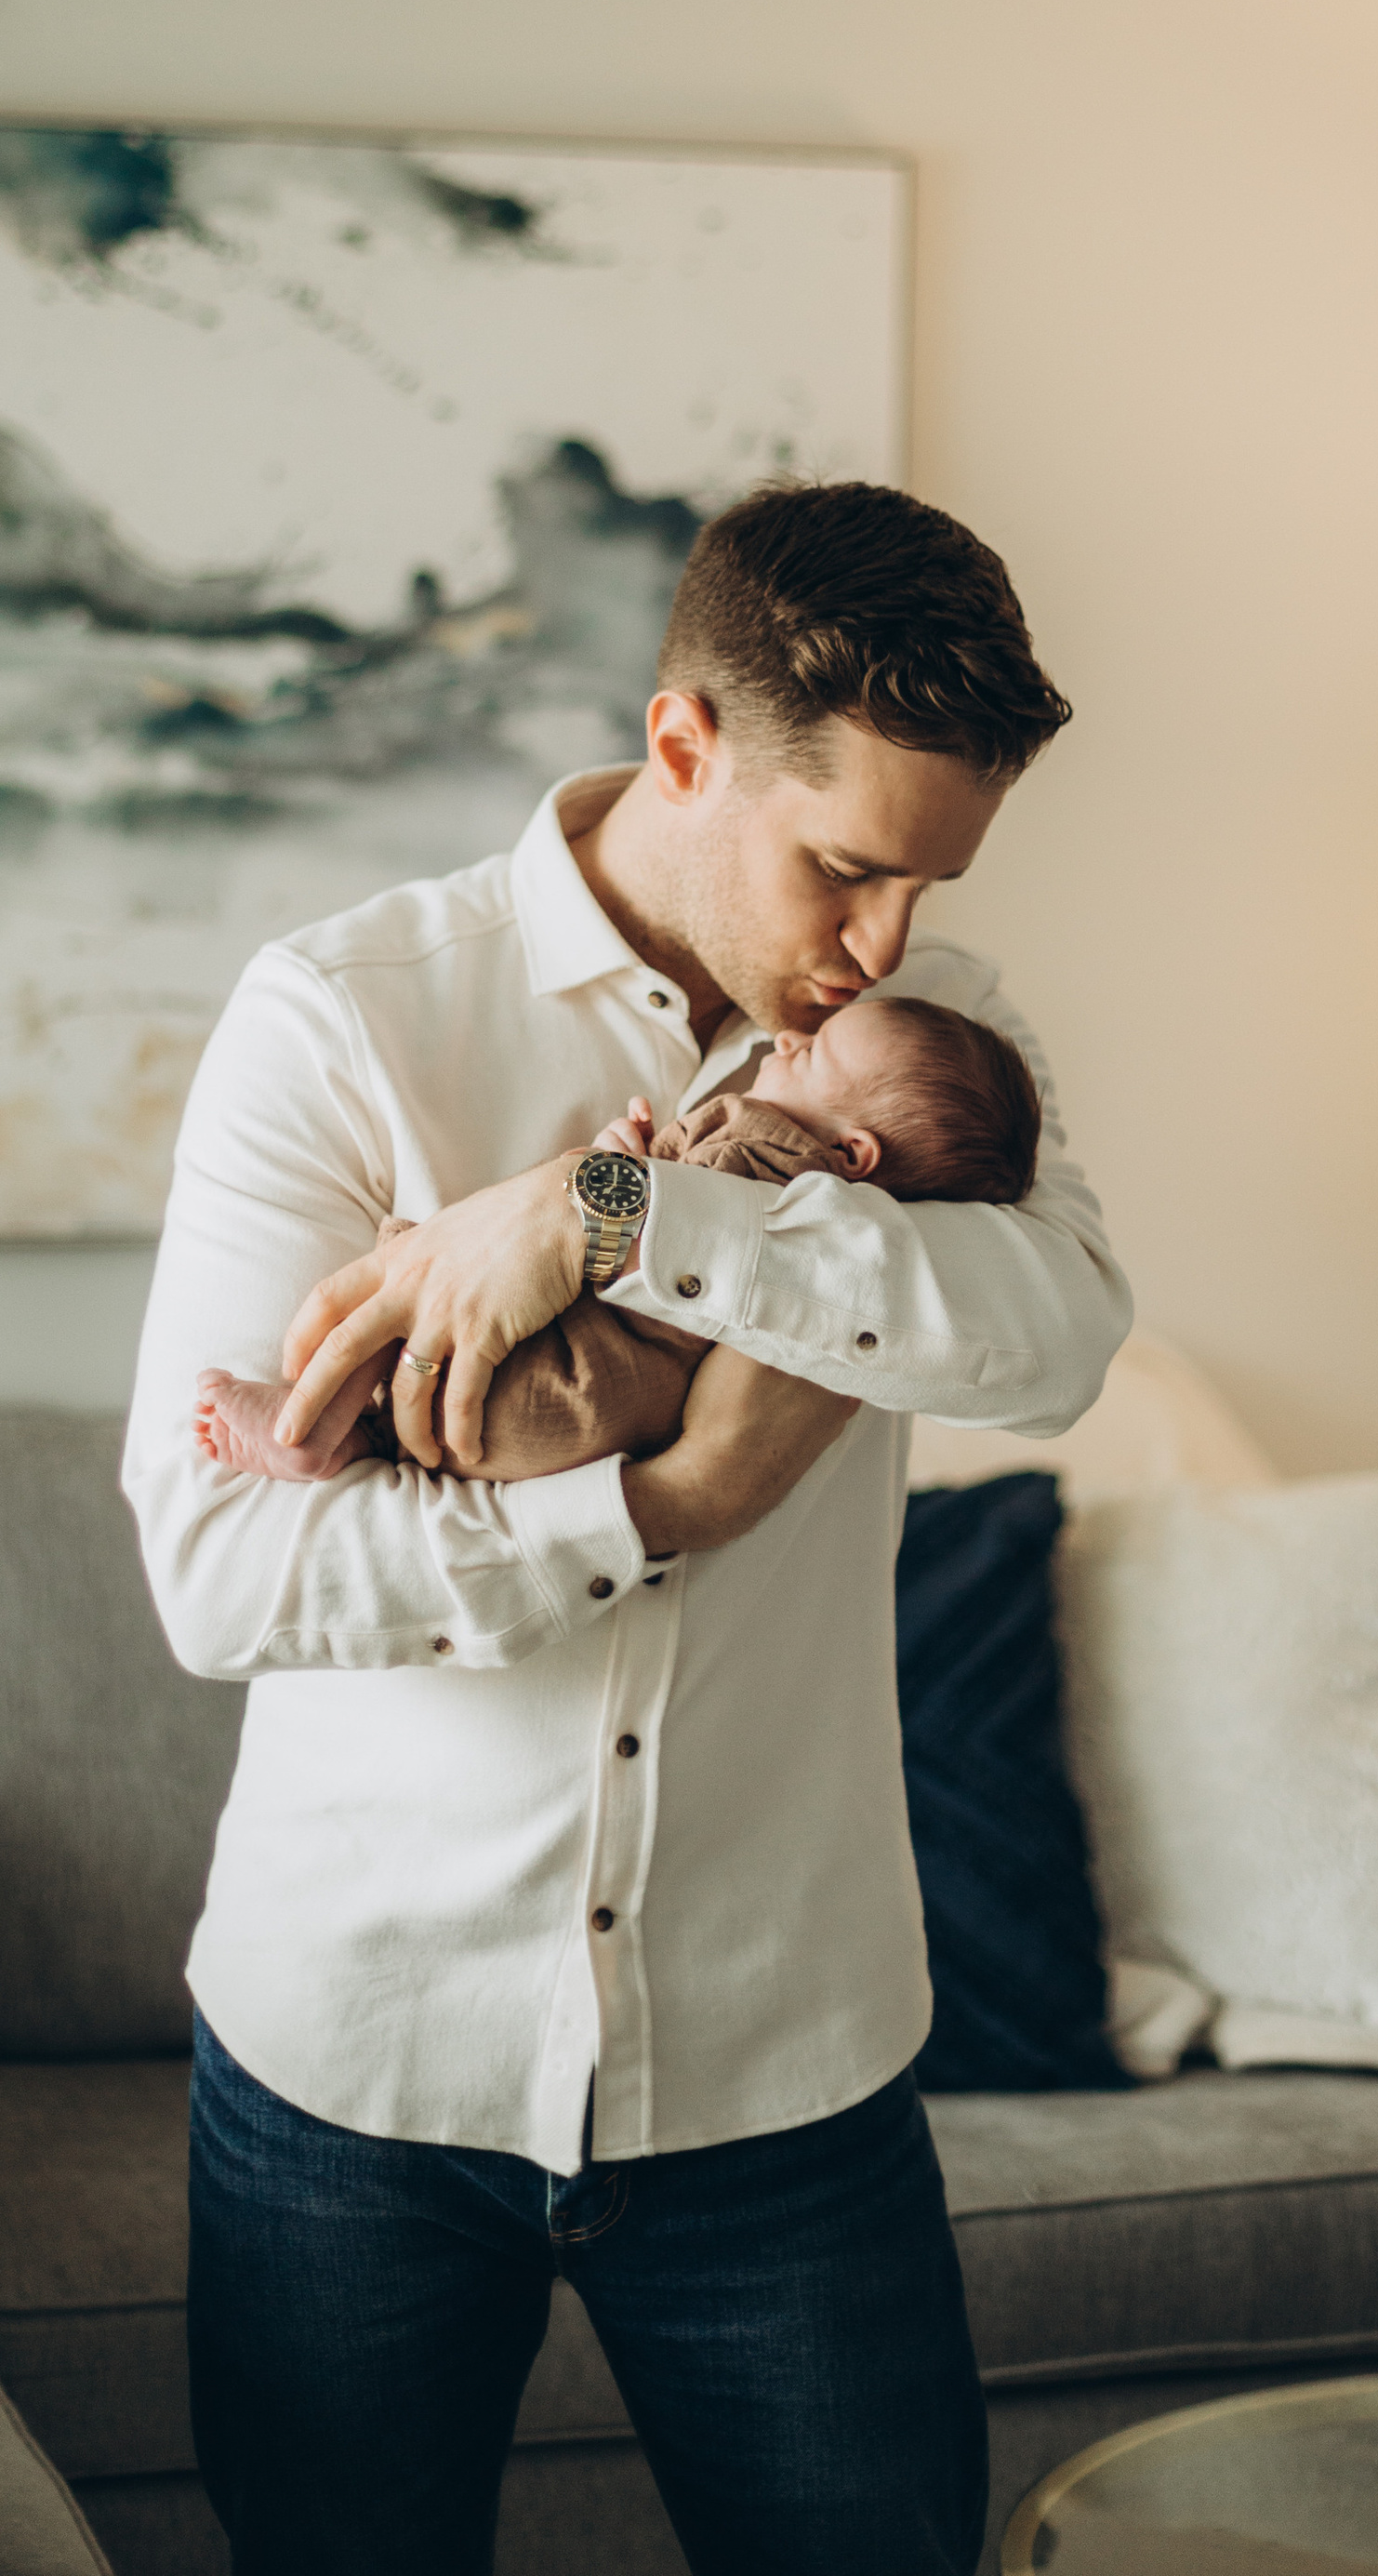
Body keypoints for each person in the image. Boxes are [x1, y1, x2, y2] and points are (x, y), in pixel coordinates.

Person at [121, 477, 1131, 2576]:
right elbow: (222, 1574)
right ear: (683, 746)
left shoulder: (920, 1040)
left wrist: (604, 1210)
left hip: (786, 2062)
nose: (881, 942)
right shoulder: (339, 1016)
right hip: (357, 2074)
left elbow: (1050, 1339)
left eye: (926, 886)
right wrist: (655, 1505)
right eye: (843, 866)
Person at [190, 991, 1044, 1486]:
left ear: (856, 1153)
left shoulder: (767, 1146)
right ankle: (349, 1436)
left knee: (416, 1288)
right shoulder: (827, 1218)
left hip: (569, 1373)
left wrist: (607, 1172)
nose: (789, 1038)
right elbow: (658, 1220)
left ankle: (309, 1426)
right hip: (596, 1422)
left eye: (815, 1051)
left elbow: (648, 1204)